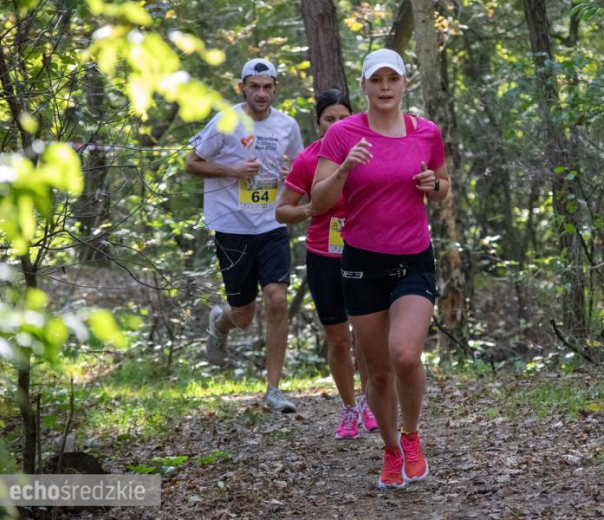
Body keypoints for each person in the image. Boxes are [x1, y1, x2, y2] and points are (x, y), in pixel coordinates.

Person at [311, 49, 451, 488]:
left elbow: (443, 187)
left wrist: (434, 184)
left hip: (413, 258)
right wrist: (345, 168)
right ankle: (391, 450)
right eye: (377, 79)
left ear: (405, 83)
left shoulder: (426, 132)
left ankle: (411, 436)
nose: (385, 87)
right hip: (361, 263)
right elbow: (318, 201)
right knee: (378, 371)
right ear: (365, 86)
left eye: (393, 78)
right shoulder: (343, 134)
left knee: (405, 355)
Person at [185, 58, 303, 413]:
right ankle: (220, 321)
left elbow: (300, 169)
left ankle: (274, 389)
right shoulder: (226, 121)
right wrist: (233, 170)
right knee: (243, 315)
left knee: (277, 299)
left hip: (272, 224)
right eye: (254, 87)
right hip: (232, 226)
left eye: (267, 87)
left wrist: (291, 175)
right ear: (243, 88)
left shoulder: (287, 126)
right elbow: (192, 163)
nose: (261, 93)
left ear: (276, 89)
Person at [275, 89, 378, 439]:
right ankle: (349, 408)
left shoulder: (370, 150)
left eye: (343, 118)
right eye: (329, 119)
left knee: (367, 336)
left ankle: (369, 401)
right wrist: (309, 209)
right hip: (324, 256)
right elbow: (282, 211)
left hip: (366, 252)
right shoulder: (308, 159)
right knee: (339, 339)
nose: (336, 124)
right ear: (318, 123)